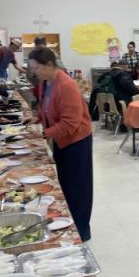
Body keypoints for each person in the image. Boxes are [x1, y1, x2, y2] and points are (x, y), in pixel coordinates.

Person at [28, 47, 93, 242]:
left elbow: (71, 123)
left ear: (50, 65)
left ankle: (81, 231)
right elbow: (46, 107)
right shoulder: (45, 82)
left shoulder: (67, 85)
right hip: (61, 139)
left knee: (78, 188)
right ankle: (68, 222)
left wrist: (44, 133)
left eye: (37, 68)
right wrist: (38, 118)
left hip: (77, 141)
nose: (35, 72)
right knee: (64, 184)